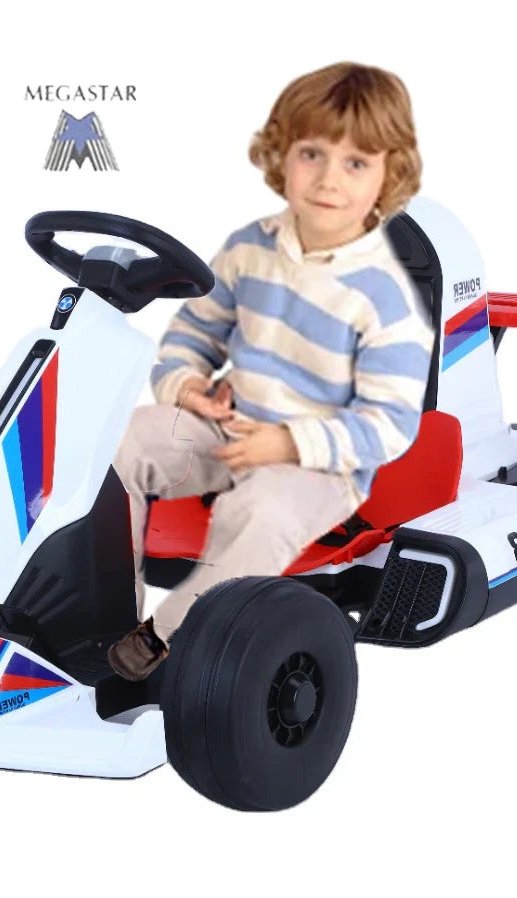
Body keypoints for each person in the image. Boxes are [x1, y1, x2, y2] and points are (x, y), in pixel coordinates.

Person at [107, 61, 433, 681]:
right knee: (122, 441)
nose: (328, 179)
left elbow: (389, 424)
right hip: (230, 427)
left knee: (260, 512)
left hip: (321, 466)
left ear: (389, 175)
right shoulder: (248, 247)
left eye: (355, 163)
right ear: (282, 154)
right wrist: (188, 385)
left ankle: (168, 638)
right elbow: (194, 330)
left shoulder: (384, 299)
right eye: (312, 154)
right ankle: (106, 609)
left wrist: (286, 443)